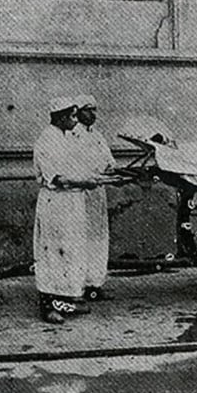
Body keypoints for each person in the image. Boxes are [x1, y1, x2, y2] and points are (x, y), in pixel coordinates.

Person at [33, 97, 97, 324]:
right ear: (60, 117)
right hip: (56, 203)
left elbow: (77, 166)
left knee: (70, 252)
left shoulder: (65, 137)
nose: (75, 119)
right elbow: (58, 178)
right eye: (72, 116)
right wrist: (85, 182)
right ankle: (47, 307)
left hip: (72, 202)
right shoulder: (47, 140)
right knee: (53, 253)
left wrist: (90, 178)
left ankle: (65, 303)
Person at [73, 94, 116, 301]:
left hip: (98, 192)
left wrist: (110, 171)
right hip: (79, 193)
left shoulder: (97, 136)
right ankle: (78, 285)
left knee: (98, 237)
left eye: (94, 110)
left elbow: (109, 162)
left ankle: (95, 284)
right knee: (80, 237)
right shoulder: (72, 136)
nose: (93, 114)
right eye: (88, 109)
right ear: (78, 112)